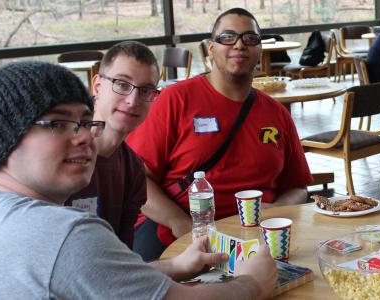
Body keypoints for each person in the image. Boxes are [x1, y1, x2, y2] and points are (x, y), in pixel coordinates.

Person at [0, 61, 278, 299]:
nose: (85, 136)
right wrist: (252, 282)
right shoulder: (66, 235)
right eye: (59, 123)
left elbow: (101, 280)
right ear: (4, 134)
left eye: (86, 123)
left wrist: (174, 266)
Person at [127, 7, 313, 261]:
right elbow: (136, 179)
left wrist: (278, 210)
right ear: (211, 48)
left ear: (260, 50)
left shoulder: (277, 114)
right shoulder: (175, 100)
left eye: (250, 38)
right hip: (180, 237)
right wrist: (180, 223)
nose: (239, 45)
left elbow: (297, 186)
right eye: (227, 37)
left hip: (257, 242)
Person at [64, 41, 159, 248]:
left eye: (145, 91)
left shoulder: (132, 169)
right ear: (97, 86)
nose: (133, 101)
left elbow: (123, 255)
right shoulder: (62, 151)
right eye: (122, 84)